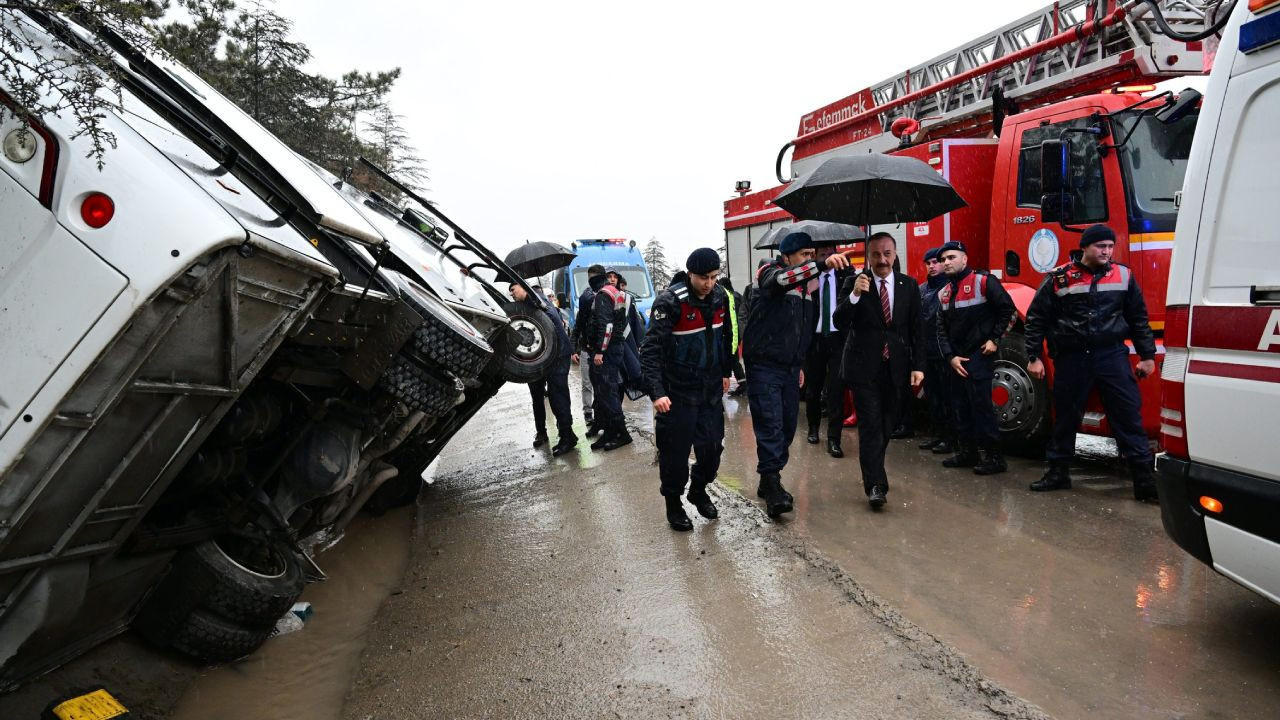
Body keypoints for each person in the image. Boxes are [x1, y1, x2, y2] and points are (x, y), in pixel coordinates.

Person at [1024, 224, 1158, 501]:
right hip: (1073, 358)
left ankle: (1144, 481)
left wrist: (1147, 356)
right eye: (1100, 246)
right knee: (1065, 417)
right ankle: (1057, 473)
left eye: (1110, 246)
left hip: (1111, 355)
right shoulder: (1059, 278)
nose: (1106, 251)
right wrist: (1033, 357)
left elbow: (1138, 318)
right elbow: (1036, 319)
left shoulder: (1123, 275)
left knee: (1128, 416)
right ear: (1084, 247)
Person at [745, 231, 850, 517]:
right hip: (764, 365)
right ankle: (773, 486)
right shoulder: (770, 271)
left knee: (788, 427)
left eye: (811, 255)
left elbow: (801, 328)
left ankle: (769, 476)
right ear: (787, 256)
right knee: (770, 425)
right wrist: (821, 264)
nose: (809, 259)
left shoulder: (807, 287)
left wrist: (800, 363)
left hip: (790, 368)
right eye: (804, 255)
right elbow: (782, 280)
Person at [641, 248, 734, 531]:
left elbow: (726, 335)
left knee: (712, 449)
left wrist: (726, 371)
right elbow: (650, 351)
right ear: (690, 274)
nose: (709, 283)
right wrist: (657, 392)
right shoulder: (670, 302)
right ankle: (674, 504)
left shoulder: (719, 296)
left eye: (714, 277)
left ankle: (698, 490)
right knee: (675, 456)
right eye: (704, 277)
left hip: (709, 390)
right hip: (677, 393)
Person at [833, 233, 925, 509]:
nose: (882, 260)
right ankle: (875, 484)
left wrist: (919, 366)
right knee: (871, 425)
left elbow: (917, 329)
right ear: (868, 257)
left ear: (895, 255)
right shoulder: (855, 283)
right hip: (864, 369)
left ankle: (874, 467)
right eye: (876, 254)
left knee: (887, 425)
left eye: (887, 253)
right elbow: (839, 320)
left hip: (896, 368)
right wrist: (855, 295)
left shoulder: (908, 285)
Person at [936, 240, 1015, 475]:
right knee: (960, 407)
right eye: (943, 259)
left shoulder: (984, 282)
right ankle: (968, 453)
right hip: (956, 360)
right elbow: (940, 329)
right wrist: (950, 357)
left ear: (965, 259)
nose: (946, 262)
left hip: (979, 355)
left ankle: (994, 457)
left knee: (982, 408)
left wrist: (995, 339)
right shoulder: (944, 293)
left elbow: (1008, 310)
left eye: (951, 257)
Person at [512, 283, 578, 456]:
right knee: (556, 398)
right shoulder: (534, 301)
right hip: (554, 354)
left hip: (558, 354)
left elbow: (549, 320)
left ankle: (567, 437)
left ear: (522, 287)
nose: (511, 294)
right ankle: (567, 435)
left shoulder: (536, 300)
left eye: (513, 289)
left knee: (558, 397)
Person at [805, 245, 855, 457]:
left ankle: (834, 438)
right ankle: (813, 428)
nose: (828, 258)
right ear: (816, 257)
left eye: (830, 254)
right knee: (813, 389)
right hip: (815, 339)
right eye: (823, 255)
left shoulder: (845, 276)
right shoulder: (809, 276)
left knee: (836, 390)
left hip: (838, 338)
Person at [586, 266, 632, 450]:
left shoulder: (603, 295)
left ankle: (622, 433)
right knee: (605, 393)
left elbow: (607, 326)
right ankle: (610, 432)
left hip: (608, 350)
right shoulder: (615, 292)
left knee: (608, 392)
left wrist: (600, 351)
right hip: (615, 347)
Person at [917, 247, 955, 455]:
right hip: (927, 351)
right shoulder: (922, 289)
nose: (932, 266)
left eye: (935, 262)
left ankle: (950, 438)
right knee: (933, 396)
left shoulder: (949, 288)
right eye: (928, 263)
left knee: (947, 396)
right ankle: (938, 434)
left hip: (943, 351)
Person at [571, 264, 606, 432]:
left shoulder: (606, 296)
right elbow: (578, 325)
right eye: (589, 278)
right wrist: (574, 349)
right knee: (587, 383)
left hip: (602, 351)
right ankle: (588, 413)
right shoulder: (585, 298)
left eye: (593, 278)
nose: (591, 281)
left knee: (602, 385)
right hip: (587, 349)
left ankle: (602, 415)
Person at [719, 277, 748, 396]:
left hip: (731, 333)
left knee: (733, 358)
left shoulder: (727, 296)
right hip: (737, 331)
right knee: (734, 358)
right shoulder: (737, 295)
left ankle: (743, 384)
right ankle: (742, 383)